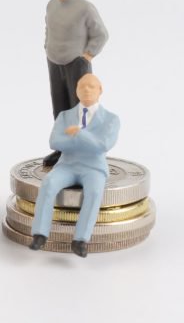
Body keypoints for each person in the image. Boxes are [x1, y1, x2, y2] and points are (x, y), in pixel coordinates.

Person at [29, 74, 120, 257]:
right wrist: (86, 142)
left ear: (100, 90)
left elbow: (103, 146)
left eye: (91, 86)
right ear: (76, 90)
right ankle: (40, 234)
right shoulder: (65, 116)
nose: (86, 90)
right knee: (48, 184)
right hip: (67, 165)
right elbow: (55, 142)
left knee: (94, 192)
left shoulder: (111, 119)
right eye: (82, 86)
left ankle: (80, 240)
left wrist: (79, 134)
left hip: (94, 168)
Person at [43, 0, 108, 167]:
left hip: (76, 63)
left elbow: (101, 34)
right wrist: (47, 46)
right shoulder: (52, 5)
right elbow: (48, 28)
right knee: (59, 106)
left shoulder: (85, 8)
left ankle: (83, 151)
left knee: (79, 107)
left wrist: (87, 55)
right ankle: (63, 148)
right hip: (54, 61)